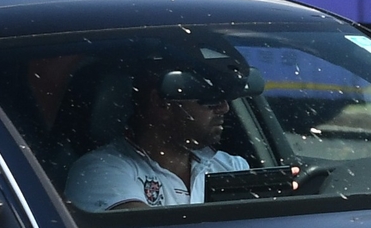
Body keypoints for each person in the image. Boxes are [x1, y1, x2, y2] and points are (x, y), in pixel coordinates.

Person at [65, 54, 252, 211]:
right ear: (161, 103)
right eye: (209, 97)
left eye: (225, 97)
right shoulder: (99, 171)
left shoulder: (231, 168)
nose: (224, 108)